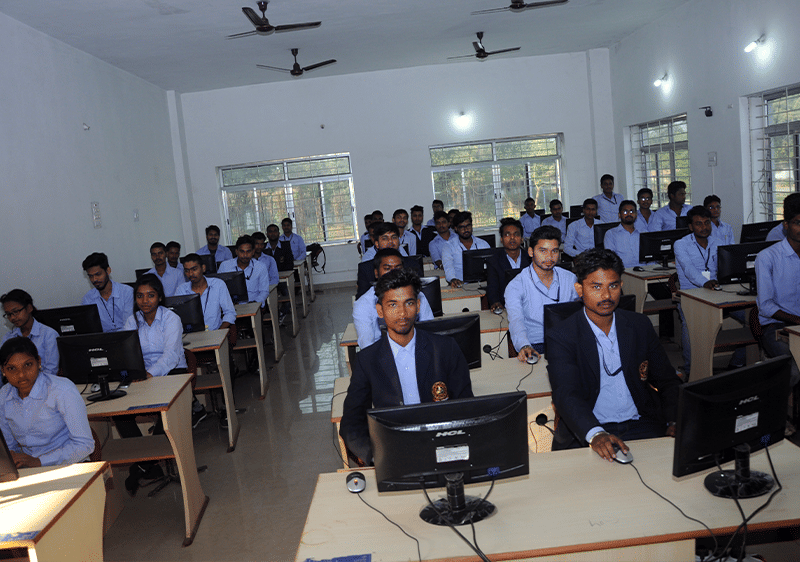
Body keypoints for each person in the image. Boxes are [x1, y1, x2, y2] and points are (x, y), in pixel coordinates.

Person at [545, 249, 680, 459]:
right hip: (589, 429)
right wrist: (596, 434)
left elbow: (668, 380)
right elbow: (566, 394)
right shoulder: (562, 335)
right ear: (579, 289)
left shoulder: (639, 325)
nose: (607, 295)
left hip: (641, 424)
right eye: (596, 287)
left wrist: (674, 420)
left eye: (613, 286)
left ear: (621, 286)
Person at [340, 268, 473, 465]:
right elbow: (351, 422)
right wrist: (375, 456)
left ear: (418, 306)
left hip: (441, 445)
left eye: (409, 303)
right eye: (392, 305)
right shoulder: (367, 360)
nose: (402, 313)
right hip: (394, 450)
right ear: (380, 311)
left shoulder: (445, 348)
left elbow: (467, 407)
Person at [0, 337, 93, 467]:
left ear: (38, 362)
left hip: (70, 464)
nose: (21, 374)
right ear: (3, 371)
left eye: (28, 365)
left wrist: (39, 462)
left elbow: (84, 445)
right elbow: (8, 446)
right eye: (11, 368)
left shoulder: (61, 390)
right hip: (29, 468)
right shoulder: (3, 396)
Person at [674, 206, 746, 374]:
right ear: (690, 226)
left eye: (707, 223)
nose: (704, 227)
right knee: (689, 329)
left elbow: (726, 267)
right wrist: (705, 283)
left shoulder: (718, 242)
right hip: (691, 295)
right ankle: (690, 371)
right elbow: (688, 270)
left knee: (754, 317)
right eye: (698, 224)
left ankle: (738, 361)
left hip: (717, 293)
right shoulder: (681, 244)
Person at [505, 226, 579, 361]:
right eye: (543, 251)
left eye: (554, 251)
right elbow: (516, 321)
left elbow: (579, 312)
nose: (549, 257)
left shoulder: (570, 279)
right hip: (537, 345)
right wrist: (524, 345)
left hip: (568, 341)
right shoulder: (516, 285)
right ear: (531, 252)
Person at [755, 192, 800, 387]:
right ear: (786, 225)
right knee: (793, 371)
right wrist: (797, 320)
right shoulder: (767, 257)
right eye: (798, 223)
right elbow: (765, 306)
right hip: (776, 327)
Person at [353, 249, 434, 349]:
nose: (393, 272)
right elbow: (368, 347)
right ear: (376, 273)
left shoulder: (417, 296)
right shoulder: (363, 305)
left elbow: (430, 332)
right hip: (382, 353)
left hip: (417, 348)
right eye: (387, 268)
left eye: (398, 268)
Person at [123, 275, 187, 378]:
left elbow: (171, 355)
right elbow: (128, 354)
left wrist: (151, 373)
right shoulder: (132, 321)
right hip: (144, 374)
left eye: (150, 295)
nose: (145, 301)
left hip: (172, 371)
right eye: (140, 296)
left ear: (160, 297)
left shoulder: (171, 319)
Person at [0, 290, 59, 377]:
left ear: (29, 308)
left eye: (16, 312)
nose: (12, 318)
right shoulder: (8, 338)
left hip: (43, 383)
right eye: (9, 314)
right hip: (15, 383)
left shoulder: (49, 335)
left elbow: (51, 371)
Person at [356, 223, 422, 299]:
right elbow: (362, 299)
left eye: (394, 237)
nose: (390, 241)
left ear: (399, 241)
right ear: (377, 244)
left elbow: (420, 294)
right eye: (385, 238)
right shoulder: (366, 268)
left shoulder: (413, 264)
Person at [177, 254, 236, 332]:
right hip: (192, 334)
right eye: (187, 270)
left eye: (194, 269)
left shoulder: (218, 285)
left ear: (203, 268)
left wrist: (219, 332)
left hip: (215, 332)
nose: (190, 274)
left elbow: (230, 313)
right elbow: (177, 317)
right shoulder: (181, 290)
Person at [81, 252, 134, 332]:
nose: (94, 279)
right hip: (102, 339)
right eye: (91, 276)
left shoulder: (127, 292)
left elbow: (130, 326)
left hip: (126, 337)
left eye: (98, 274)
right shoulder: (88, 299)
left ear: (108, 271)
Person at [486, 218, 531, 312]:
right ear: (501, 239)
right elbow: (492, 287)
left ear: (522, 239)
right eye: (507, 234)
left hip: (530, 305)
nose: (512, 238)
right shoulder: (493, 261)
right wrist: (495, 302)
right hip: (505, 307)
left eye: (516, 234)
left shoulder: (531, 258)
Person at [442, 211, 491, 287]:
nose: (466, 229)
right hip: (460, 286)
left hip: (482, 284)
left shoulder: (483, 244)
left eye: (468, 225)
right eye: (462, 227)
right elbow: (448, 266)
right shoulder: (448, 246)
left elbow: (491, 266)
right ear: (456, 228)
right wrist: (453, 279)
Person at [218, 235, 270, 307]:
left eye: (248, 251)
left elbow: (264, 291)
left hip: (254, 306)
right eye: (242, 251)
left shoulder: (260, 267)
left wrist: (255, 303)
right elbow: (218, 289)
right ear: (236, 251)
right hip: (231, 307)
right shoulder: (225, 266)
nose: (245, 255)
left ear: (253, 252)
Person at [603, 200, 643, 268]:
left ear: (636, 215)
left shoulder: (643, 232)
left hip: (645, 269)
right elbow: (611, 259)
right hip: (623, 271)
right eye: (625, 212)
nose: (629, 214)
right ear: (619, 215)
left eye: (631, 211)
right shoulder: (611, 234)